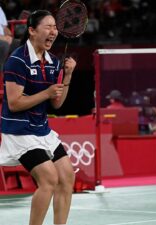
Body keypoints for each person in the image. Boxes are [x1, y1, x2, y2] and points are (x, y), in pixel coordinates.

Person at [0, 10, 76, 225]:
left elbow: (57, 103)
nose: (54, 31)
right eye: (48, 27)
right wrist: (46, 93)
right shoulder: (17, 61)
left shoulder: (52, 61)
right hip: (19, 131)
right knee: (49, 178)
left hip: (41, 128)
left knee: (67, 176)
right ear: (32, 31)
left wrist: (68, 75)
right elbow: (14, 104)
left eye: (55, 27)